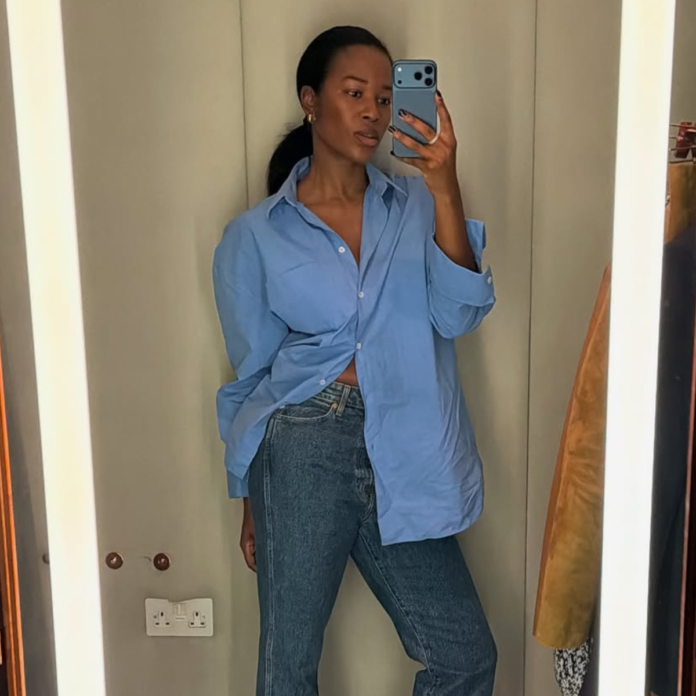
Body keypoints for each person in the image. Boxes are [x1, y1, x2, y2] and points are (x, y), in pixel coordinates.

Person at [213, 24, 497, 696]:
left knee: (465, 655)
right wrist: (252, 497)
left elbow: (458, 315)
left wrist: (445, 183)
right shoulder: (255, 235)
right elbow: (251, 374)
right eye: (354, 93)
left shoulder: (417, 206)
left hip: (408, 444)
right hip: (301, 442)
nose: (373, 111)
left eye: (383, 97)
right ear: (311, 101)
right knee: (289, 663)